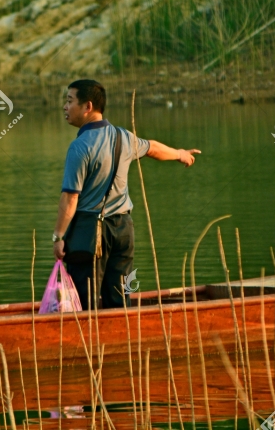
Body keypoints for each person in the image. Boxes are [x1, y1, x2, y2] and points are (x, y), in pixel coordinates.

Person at [52, 80, 200, 310]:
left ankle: (89, 343)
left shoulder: (79, 146)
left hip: (90, 233)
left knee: (84, 301)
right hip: (123, 230)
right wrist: (180, 154)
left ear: (87, 106)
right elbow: (152, 148)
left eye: (70, 101)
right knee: (120, 299)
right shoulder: (124, 137)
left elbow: (70, 198)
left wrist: (58, 236)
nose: (65, 106)